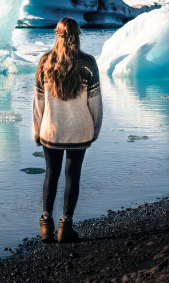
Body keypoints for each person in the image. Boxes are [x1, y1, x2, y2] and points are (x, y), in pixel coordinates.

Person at [32, 17, 103, 243]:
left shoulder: (45, 62)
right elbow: (95, 102)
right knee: (73, 176)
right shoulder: (88, 63)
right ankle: (65, 226)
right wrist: (95, 129)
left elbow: (38, 102)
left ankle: (46, 226)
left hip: (51, 130)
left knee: (51, 174)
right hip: (80, 131)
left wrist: (37, 130)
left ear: (57, 34)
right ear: (78, 35)